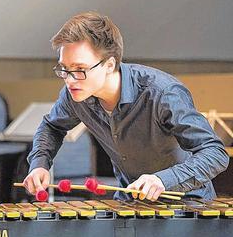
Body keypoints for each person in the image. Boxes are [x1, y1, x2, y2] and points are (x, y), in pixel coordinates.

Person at [24, 11, 229, 202]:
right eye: (64, 69)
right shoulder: (75, 94)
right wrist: (39, 165)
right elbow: (52, 126)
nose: (69, 80)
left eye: (80, 69)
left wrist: (162, 180)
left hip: (187, 204)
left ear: (110, 65)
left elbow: (214, 153)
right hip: (131, 203)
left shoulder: (162, 94)